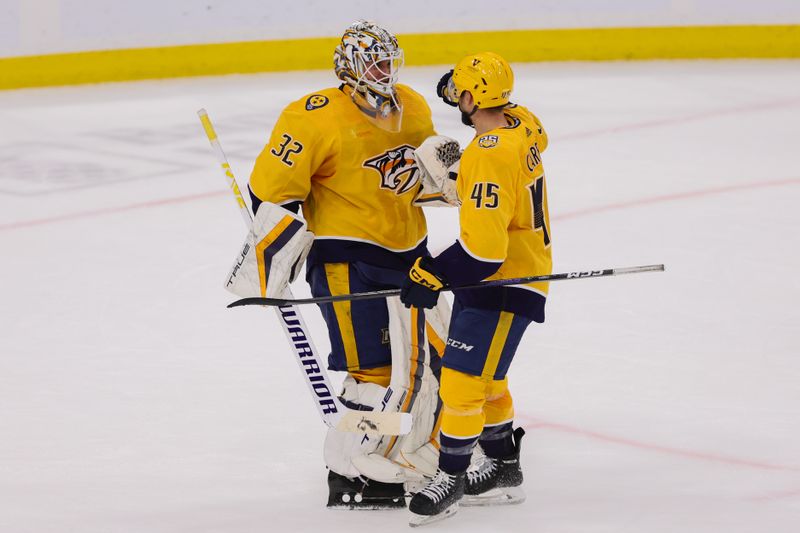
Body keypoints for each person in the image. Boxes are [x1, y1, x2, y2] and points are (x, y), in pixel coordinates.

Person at [226, 20, 452, 509]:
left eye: (391, 60)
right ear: (349, 67)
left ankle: (404, 454)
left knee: (427, 365)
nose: (385, 70)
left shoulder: (412, 103)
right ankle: (351, 472)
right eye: (375, 62)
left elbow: (425, 174)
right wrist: (271, 261)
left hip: (413, 255)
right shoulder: (313, 117)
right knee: (372, 373)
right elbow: (270, 193)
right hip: (347, 261)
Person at [399, 52, 553, 526]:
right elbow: (526, 124)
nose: (452, 97)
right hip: (512, 275)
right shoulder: (522, 124)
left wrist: (430, 274)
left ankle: (451, 479)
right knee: (488, 382)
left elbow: (483, 253)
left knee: (462, 383)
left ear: (470, 97)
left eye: (458, 91)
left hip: (502, 281)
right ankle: (505, 469)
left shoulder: (488, 153)